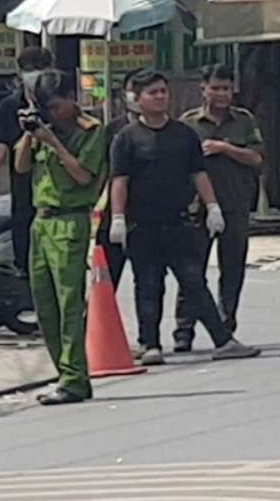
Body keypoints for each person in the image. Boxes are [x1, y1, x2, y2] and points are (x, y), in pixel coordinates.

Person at [108, 69, 260, 366]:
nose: (160, 97)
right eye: (153, 93)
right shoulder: (126, 138)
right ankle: (150, 343)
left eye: (163, 91)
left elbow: (198, 172)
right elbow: (119, 180)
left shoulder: (183, 133)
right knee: (148, 284)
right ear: (137, 100)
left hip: (178, 221)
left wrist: (212, 206)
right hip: (143, 223)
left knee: (194, 282)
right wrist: (117, 218)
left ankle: (223, 340)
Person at [14, 69, 106, 406]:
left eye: (54, 106)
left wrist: (54, 143)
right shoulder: (41, 130)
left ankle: (74, 378)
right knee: (44, 304)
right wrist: (30, 134)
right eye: (45, 108)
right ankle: (65, 374)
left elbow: (83, 176)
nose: (51, 114)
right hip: (41, 221)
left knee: (69, 304)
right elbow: (21, 167)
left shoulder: (90, 132)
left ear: (72, 99)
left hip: (70, 221)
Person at [172, 64, 264, 352]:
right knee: (191, 270)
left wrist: (225, 148)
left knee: (233, 268)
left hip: (235, 205)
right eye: (216, 88)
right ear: (204, 89)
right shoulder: (188, 123)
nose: (222, 94)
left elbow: (257, 159)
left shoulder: (244, 121)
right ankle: (184, 329)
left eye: (226, 88)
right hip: (197, 208)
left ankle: (226, 327)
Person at [0, 47, 54, 274]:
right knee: (25, 248)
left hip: (57, 190)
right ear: (19, 74)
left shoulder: (57, 104)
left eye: (40, 68)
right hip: (24, 189)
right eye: (29, 70)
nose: (34, 75)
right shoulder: (10, 106)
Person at [96, 68, 145, 289]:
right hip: (113, 215)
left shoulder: (169, 130)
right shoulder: (113, 129)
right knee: (106, 278)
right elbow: (101, 171)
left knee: (147, 283)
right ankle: (96, 323)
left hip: (148, 217)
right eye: (132, 90)